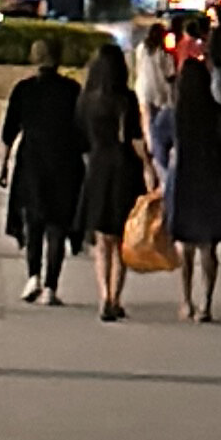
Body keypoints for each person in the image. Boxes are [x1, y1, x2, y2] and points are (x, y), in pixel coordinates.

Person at [1, 31, 85, 301]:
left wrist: (3, 165)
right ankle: (51, 286)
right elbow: (82, 132)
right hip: (64, 161)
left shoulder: (24, 90)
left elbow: (9, 131)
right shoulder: (72, 90)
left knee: (33, 220)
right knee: (57, 225)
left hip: (32, 160)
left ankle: (32, 277)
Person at [77, 37, 152, 323]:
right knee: (121, 237)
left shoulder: (87, 99)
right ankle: (115, 298)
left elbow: (80, 136)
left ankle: (102, 296)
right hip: (123, 167)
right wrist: (148, 166)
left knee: (101, 240)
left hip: (97, 166)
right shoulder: (127, 99)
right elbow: (135, 139)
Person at [165, 48, 221, 323]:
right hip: (212, 181)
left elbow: (160, 146)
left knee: (184, 247)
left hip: (184, 182)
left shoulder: (176, 115)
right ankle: (206, 303)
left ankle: (185, 300)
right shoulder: (217, 113)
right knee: (208, 247)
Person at [132, 20, 177, 172]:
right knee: (157, 122)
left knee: (146, 120)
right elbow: (170, 74)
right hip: (159, 91)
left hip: (143, 88)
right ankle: (156, 151)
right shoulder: (163, 52)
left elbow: (137, 67)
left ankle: (149, 147)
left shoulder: (141, 48)